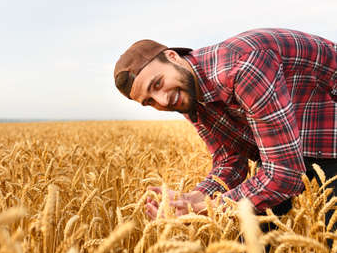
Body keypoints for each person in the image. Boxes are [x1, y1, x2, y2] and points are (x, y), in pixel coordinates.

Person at [113, 28, 337, 223]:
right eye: (149, 101)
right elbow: (230, 160)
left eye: (158, 84)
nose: (162, 101)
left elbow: (283, 175)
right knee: (250, 238)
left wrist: (204, 209)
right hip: (292, 140)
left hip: (329, 126)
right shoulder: (187, 94)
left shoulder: (242, 67)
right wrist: (194, 198)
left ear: (173, 57)